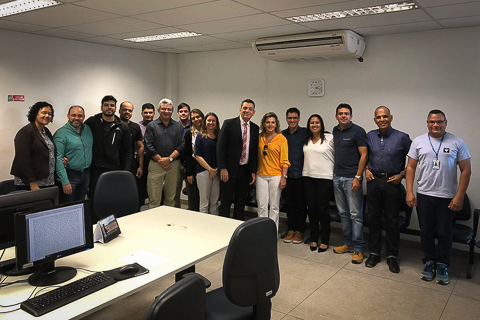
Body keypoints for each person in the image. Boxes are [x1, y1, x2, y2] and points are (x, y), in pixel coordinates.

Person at [406, 109, 471, 285]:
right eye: (432, 122)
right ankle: (429, 262)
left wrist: (460, 196)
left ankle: (442, 264)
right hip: (424, 195)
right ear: (427, 123)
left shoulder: (457, 142)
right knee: (426, 232)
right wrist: (410, 192)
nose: (435, 125)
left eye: (439, 122)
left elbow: (466, 170)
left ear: (445, 122)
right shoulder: (418, 141)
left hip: (447, 197)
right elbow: (410, 167)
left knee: (445, 233)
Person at [365, 106, 411, 273]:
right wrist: (366, 169)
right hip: (374, 182)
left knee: (392, 221)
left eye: (385, 116)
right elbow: (363, 155)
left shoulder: (402, 137)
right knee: (373, 219)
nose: (382, 119)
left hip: (393, 183)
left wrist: (403, 174)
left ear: (391, 117)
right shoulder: (369, 136)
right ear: (375, 119)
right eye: (379, 117)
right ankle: (374, 253)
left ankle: (392, 256)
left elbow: (414, 160)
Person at [332, 103, 368, 264]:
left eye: (346, 113)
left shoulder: (358, 131)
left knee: (355, 214)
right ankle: (348, 243)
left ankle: (359, 248)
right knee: (343, 213)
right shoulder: (335, 130)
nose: (343, 116)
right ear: (336, 116)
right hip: (337, 177)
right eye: (340, 113)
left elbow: (364, 155)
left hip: (351, 178)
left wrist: (358, 177)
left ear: (351, 116)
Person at [217, 99, 259, 220]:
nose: (247, 111)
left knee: (241, 202)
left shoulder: (255, 128)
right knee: (226, 201)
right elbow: (221, 148)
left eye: (250, 109)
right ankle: (224, 227)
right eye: (245, 108)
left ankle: (238, 227)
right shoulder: (229, 124)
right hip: (229, 171)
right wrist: (223, 168)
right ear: (240, 110)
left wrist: (253, 171)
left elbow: (253, 152)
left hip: (245, 171)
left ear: (254, 112)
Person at [85, 95, 132, 199]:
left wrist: (126, 171)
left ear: (116, 108)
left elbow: (128, 151)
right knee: (95, 197)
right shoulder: (92, 122)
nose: (109, 107)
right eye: (106, 105)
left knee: (112, 197)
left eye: (112, 105)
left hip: (114, 168)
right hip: (95, 169)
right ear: (101, 107)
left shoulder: (122, 126)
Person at [144, 98, 185, 208]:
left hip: (173, 165)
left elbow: (182, 145)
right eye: (164, 109)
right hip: (156, 165)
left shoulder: (178, 126)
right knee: (154, 200)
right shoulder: (151, 126)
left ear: (172, 111)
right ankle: (154, 223)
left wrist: (169, 159)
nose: (166, 111)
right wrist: (160, 160)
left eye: (169, 109)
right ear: (158, 110)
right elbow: (148, 146)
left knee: (171, 199)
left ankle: (168, 223)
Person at [303, 114, 334, 253]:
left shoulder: (330, 138)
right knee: (312, 209)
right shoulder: (306, 139)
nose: (314, 125)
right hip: (308, 177)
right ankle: (314, 237)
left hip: (325, 178)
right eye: (312, 123)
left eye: (317, 122)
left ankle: (325, 239)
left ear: (321, 124)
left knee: (323, 209)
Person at [256, 112, 290, 231]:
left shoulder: (282, 139)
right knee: (262, 205)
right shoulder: (259, 137)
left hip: (276, 176)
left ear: (276, 124)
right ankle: (262, 231)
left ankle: (272, 232)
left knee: (274, 206)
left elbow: (285, 160)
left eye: (273, 122)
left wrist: (283, 177)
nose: (270, 125)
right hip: (260, 175)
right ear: (264, 124)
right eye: (268, 122)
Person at [11, 101, 56, 190]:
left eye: (50, 114)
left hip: (47, 180)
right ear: (35, 114)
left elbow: (49, 151)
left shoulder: (46, 131)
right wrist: (31, 182)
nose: (47, 116)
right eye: (44, 113)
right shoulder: (25, 132)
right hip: (29, 183)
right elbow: (22, 159)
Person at [53, 105, 93, 203]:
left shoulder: (87, 129)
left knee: (81, 204)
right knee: (68, 206)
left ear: (83, 117)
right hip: (70, 176)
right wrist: (64, 181)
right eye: (73, 115)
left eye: (80, 116)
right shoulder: (61, 133)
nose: (76, 118)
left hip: (86, 174)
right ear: (68, 116)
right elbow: (58, 158)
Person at [281, 107, 307, 244]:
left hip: (303, 175)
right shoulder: (281, 135)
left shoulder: (305, 133)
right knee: (289, 204)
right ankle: (291, 229)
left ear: (299, 119)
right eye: (290, 118)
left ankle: (300, 230)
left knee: (301, 205)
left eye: (295, 118)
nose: (292, 120)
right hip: (287, 175)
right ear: (286, 119)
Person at [119, 101, 144, 210]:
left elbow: (140, 147)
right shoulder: (114, 124)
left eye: (129, 110)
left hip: (131, 165)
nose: (127, 112)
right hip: (115, 165)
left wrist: (140, 166)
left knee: (131, 192)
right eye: (125, 109)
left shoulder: (135, 127)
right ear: (119, 110)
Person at [195, 112, 221, 214]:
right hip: (203, 172)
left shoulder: (219, 136)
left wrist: (215, 171)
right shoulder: (200, 137)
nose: (211, 122)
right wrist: (210, 170)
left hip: (217, 172)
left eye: (213, 121)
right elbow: (198, 156)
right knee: (204, 202)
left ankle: (213, 226)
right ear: (205, 122)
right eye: (209, 120)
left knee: (214, 202)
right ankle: (203, 226)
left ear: (216, 123)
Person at [185, 108, 204, 211]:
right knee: (194, 197)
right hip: (194, 167)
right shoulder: (189, 134)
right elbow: (187, 154)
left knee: (205, 197)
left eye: (198, 117)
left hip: (207, 167)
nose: (196, 119)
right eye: (193, 118)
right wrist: (189, 173)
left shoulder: (210, 131)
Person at [137, 103, 155, 208]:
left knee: (155, 188)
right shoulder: (137, 127)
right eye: (146, 113)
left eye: (150, 112)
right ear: (142, 113)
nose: (148, 115)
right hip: (141, 160)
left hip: (154, 160)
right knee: (141, 187)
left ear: (154, 113)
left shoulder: (158, 126)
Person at [175, 102, 192, 208]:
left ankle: (191, 212)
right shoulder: (173, 127)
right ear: (177, 113)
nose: (183, 113)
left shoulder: (194, 126)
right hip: (177, 163)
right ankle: (177, 212)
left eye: (185, 111)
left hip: (190, 164)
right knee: (175, 191)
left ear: (189, 113)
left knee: (191, 192)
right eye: (181, 111)